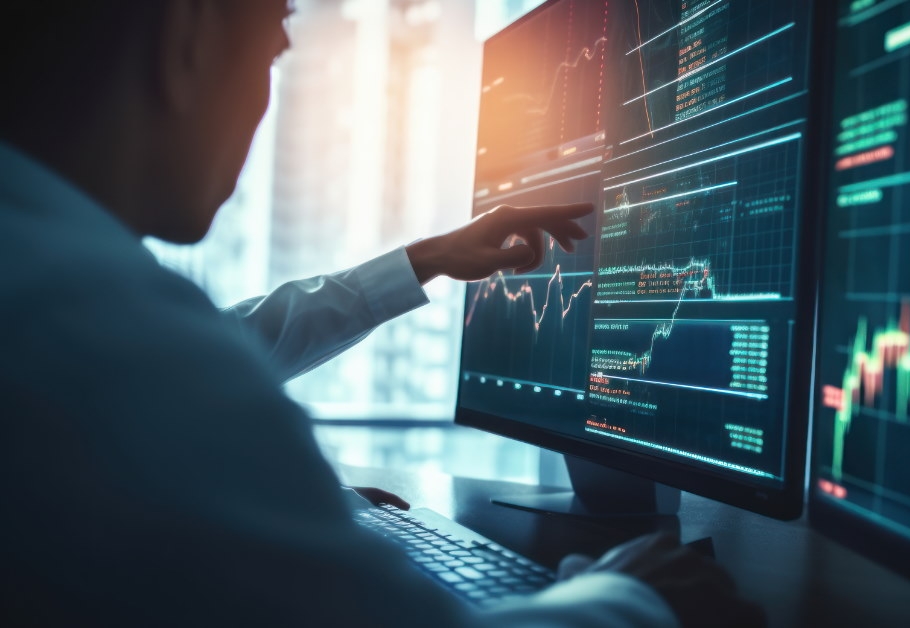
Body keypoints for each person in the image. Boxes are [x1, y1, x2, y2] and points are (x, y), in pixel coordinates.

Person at [0, 1, 764, 627]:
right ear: (186, 39)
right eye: (273, 54)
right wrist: (635, 600)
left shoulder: (48, 282)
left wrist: (423, 260)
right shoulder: (91, 325)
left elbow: (213, 350)